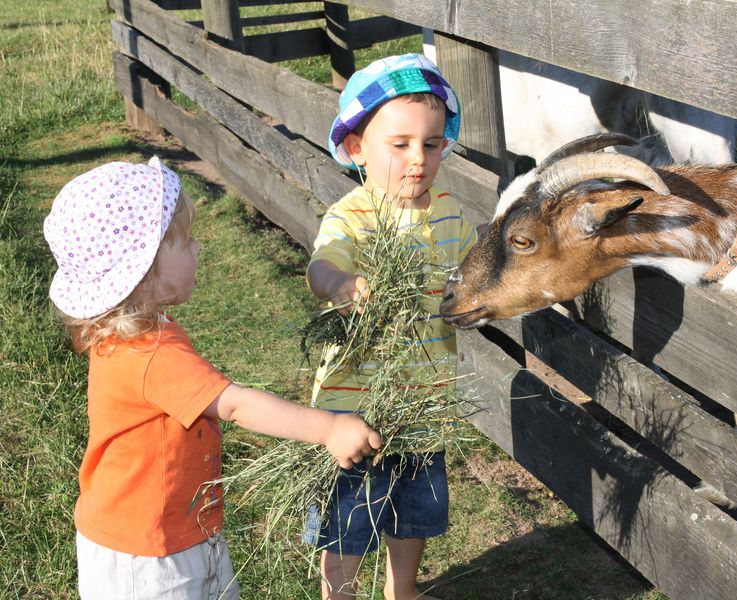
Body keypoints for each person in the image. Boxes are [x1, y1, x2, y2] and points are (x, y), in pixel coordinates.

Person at [42, 157, 383, 599]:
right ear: (144, 274)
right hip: (149, 558)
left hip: (178, 527)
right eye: (185, 242)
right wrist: (331, 428)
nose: (199, 248)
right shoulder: (152, 356)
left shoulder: (140, 335)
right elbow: (236, 405)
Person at [305, 53, 478, 600]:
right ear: (356, 148)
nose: (417, 160)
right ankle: (343, 592)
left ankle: (402, 588)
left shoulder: (451, 213)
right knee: (348, 510)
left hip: (425, 401)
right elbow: (322, 262)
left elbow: (477, 271)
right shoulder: (352, 215)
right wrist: (338, 285)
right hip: (354, 401)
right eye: (398, 145)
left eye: (431, 144)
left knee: (416, 508)